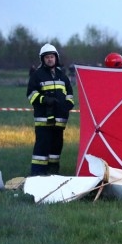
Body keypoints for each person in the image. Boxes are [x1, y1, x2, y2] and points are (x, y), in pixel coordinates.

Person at [26, 44, 75, 175]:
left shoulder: (62, 76)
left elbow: (70, 93)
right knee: (42, 149)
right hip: (44, 121)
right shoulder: (37, 75)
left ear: (56, 58)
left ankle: (53, 174)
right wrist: (44, 100)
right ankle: (37, 175)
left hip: (59, 122)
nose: (49, 59)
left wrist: (68, 104)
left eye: (52, 57)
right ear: (43, 59)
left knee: (56, 149)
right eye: (47, 57)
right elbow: (31, 94)